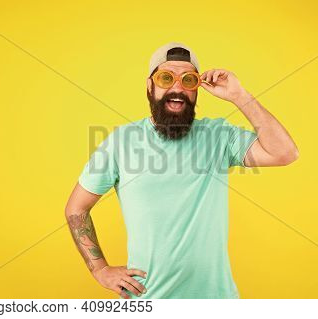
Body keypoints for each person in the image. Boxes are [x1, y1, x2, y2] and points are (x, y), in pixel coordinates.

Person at [64, 42, 299, 299]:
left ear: (197, 89)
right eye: (166, 78)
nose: (177, 88)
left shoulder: (219, 136)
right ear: (149, 85)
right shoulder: (120, 142)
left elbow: (284, 153)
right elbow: (76, 208)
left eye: (188, 80)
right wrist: (100, 270)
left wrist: (239, 96)